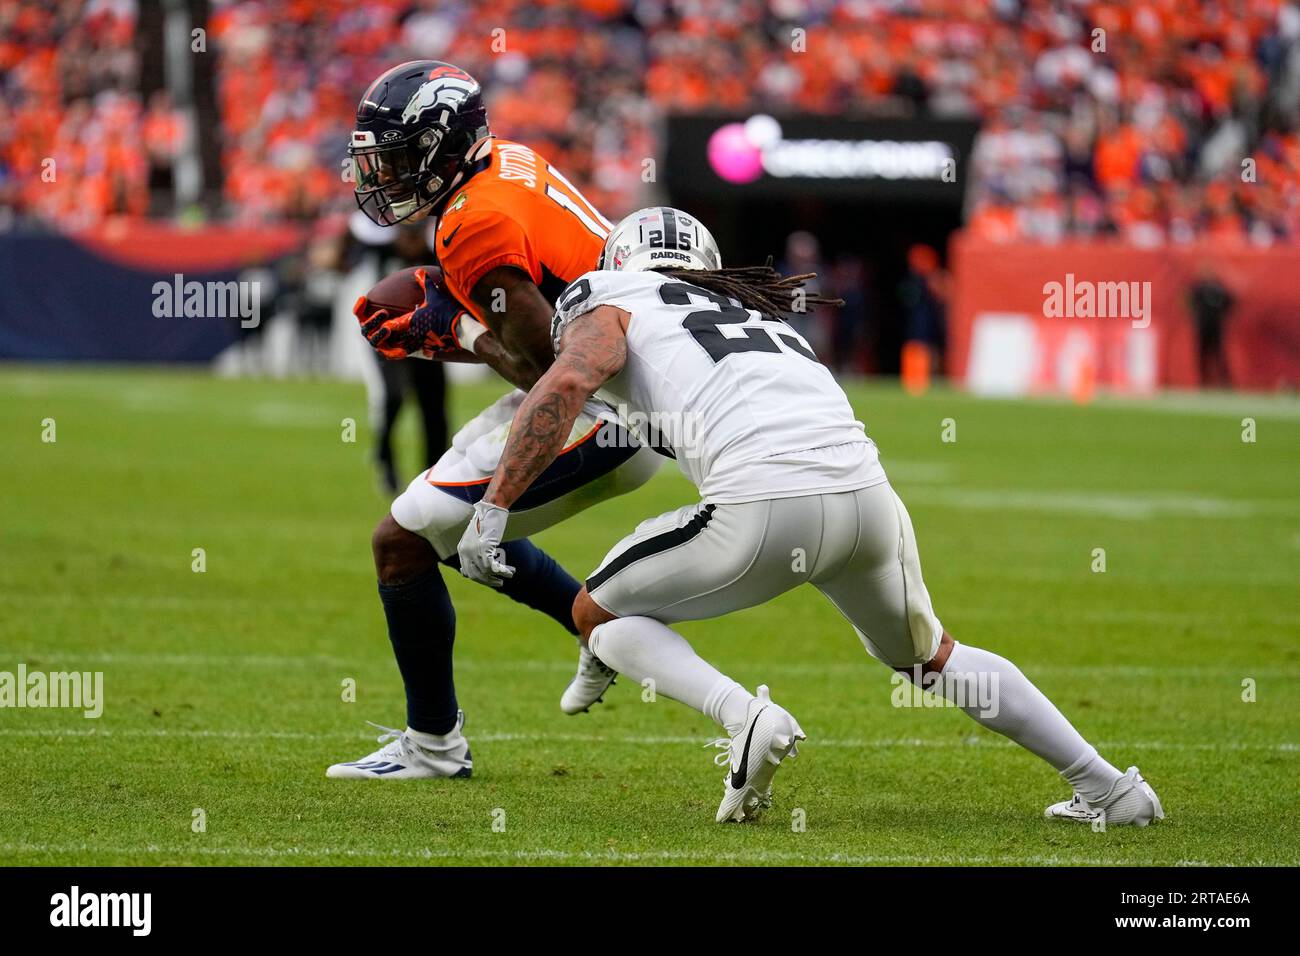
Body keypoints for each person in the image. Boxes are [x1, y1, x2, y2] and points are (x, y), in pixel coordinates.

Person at [457, 206, 1165, 828]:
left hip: (764, 507)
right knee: (934, 657)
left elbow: (572, 378)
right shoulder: (751, 313)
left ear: (617, 262)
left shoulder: (608, 294)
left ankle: (745, 717)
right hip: (868, 501)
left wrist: (494, 507)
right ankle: (1109, 787)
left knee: (595, 612)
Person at [325, 61, 660, 780]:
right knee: (433, 536)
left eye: (396, 155)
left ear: (442, 146)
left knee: (401, 543)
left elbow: (555, 373)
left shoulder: (473, 220)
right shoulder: (506, 162)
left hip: (608, 407)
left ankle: (435, 746)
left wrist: (463, 334)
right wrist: (468, 317)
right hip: (633, 390)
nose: (380, 174)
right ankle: (601, 627)